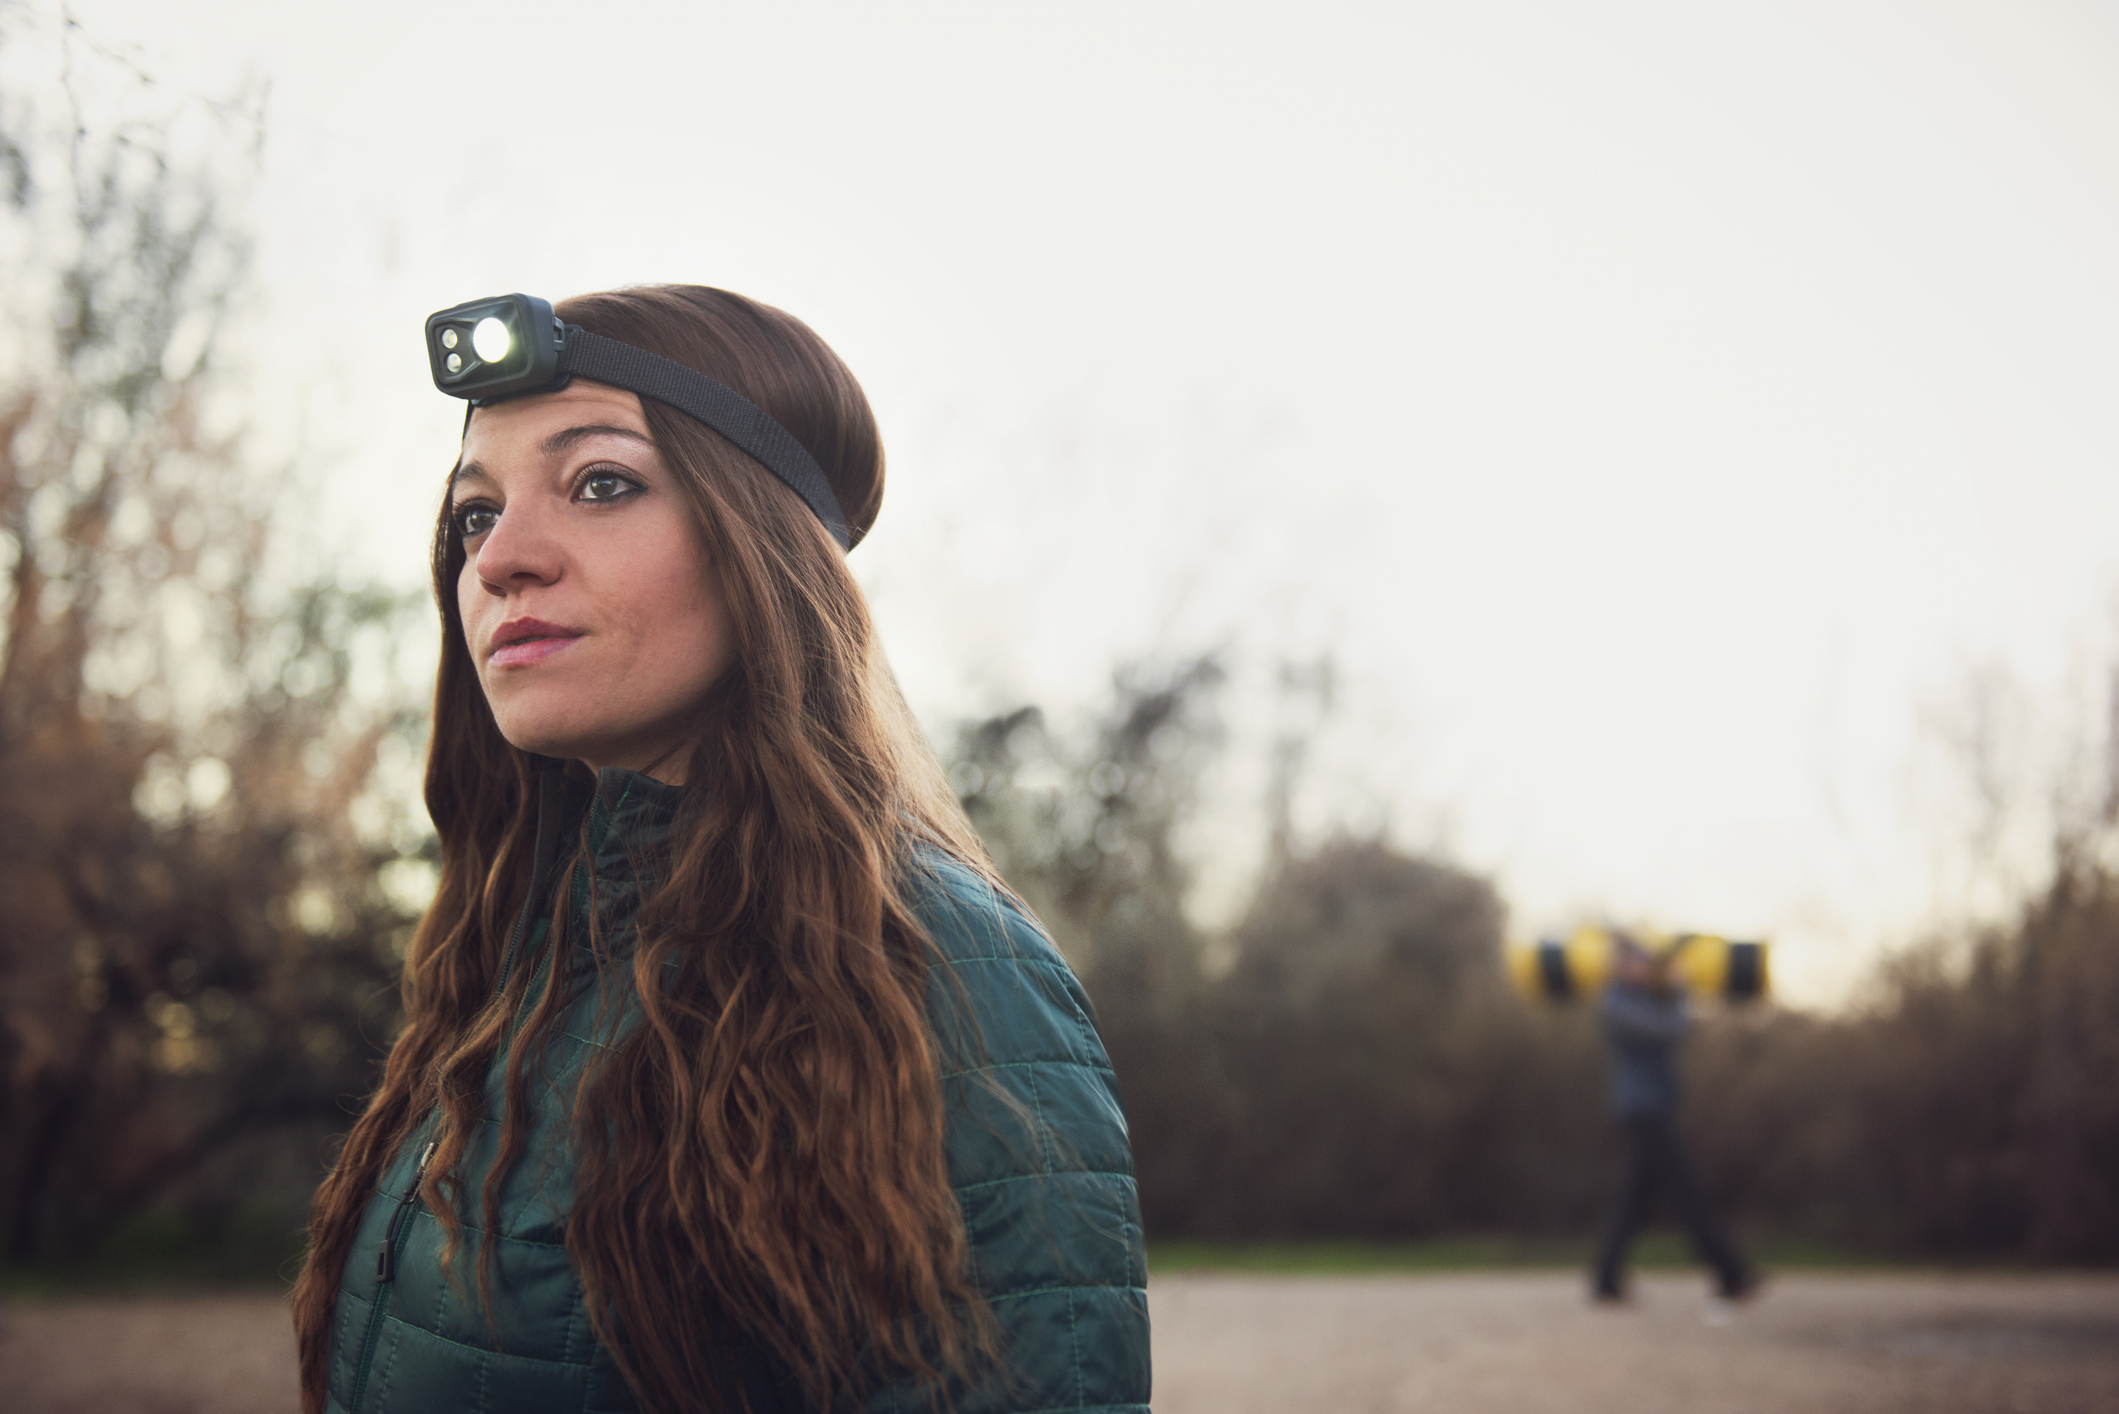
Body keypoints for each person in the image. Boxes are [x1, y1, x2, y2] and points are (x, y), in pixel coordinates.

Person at [289, 285, 1150, 1414]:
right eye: (473, 515)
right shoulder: (525, 960)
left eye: (601, 484)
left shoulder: (935, 968)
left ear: (761, 548)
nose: (502, 559)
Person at [1589, 934, 1753, 1304]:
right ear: (1618, 966)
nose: (1645, 968)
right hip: (1643, 1111)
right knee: (1689, 1191)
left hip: (1652, 1108)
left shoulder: (1637, 999)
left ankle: (1606, 1279)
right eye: (1637, 962)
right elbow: (1672, 1028)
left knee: (1635, 1199)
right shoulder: (1617, 1003)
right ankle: (1730, 1272)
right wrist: (1681, 991)